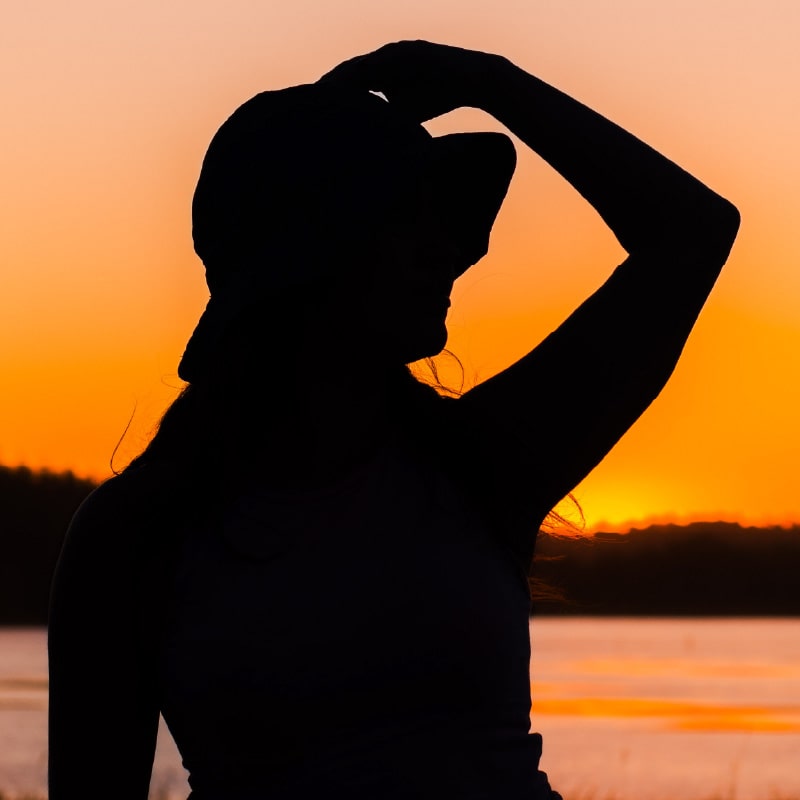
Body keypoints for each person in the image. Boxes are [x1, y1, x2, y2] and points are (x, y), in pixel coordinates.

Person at [48, 41, 739, 800]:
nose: (454, 255)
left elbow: (693, 233)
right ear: (321, 256)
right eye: (418, 223)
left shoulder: (481, 466)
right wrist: (486, 86)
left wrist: (492, 82)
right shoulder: (134, 537)